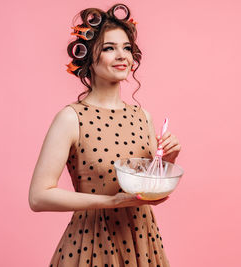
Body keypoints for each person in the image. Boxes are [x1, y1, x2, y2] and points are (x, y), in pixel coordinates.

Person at [28, 3, 181, 266]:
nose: (122, 55)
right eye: (110, 48)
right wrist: (111, 202)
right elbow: (38, 196)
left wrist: (169, 160)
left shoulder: (143, 116)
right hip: (92, 243)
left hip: (143, 242)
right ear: (88, 56)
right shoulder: (71, 118)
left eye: (127, 48)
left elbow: (146, 189)